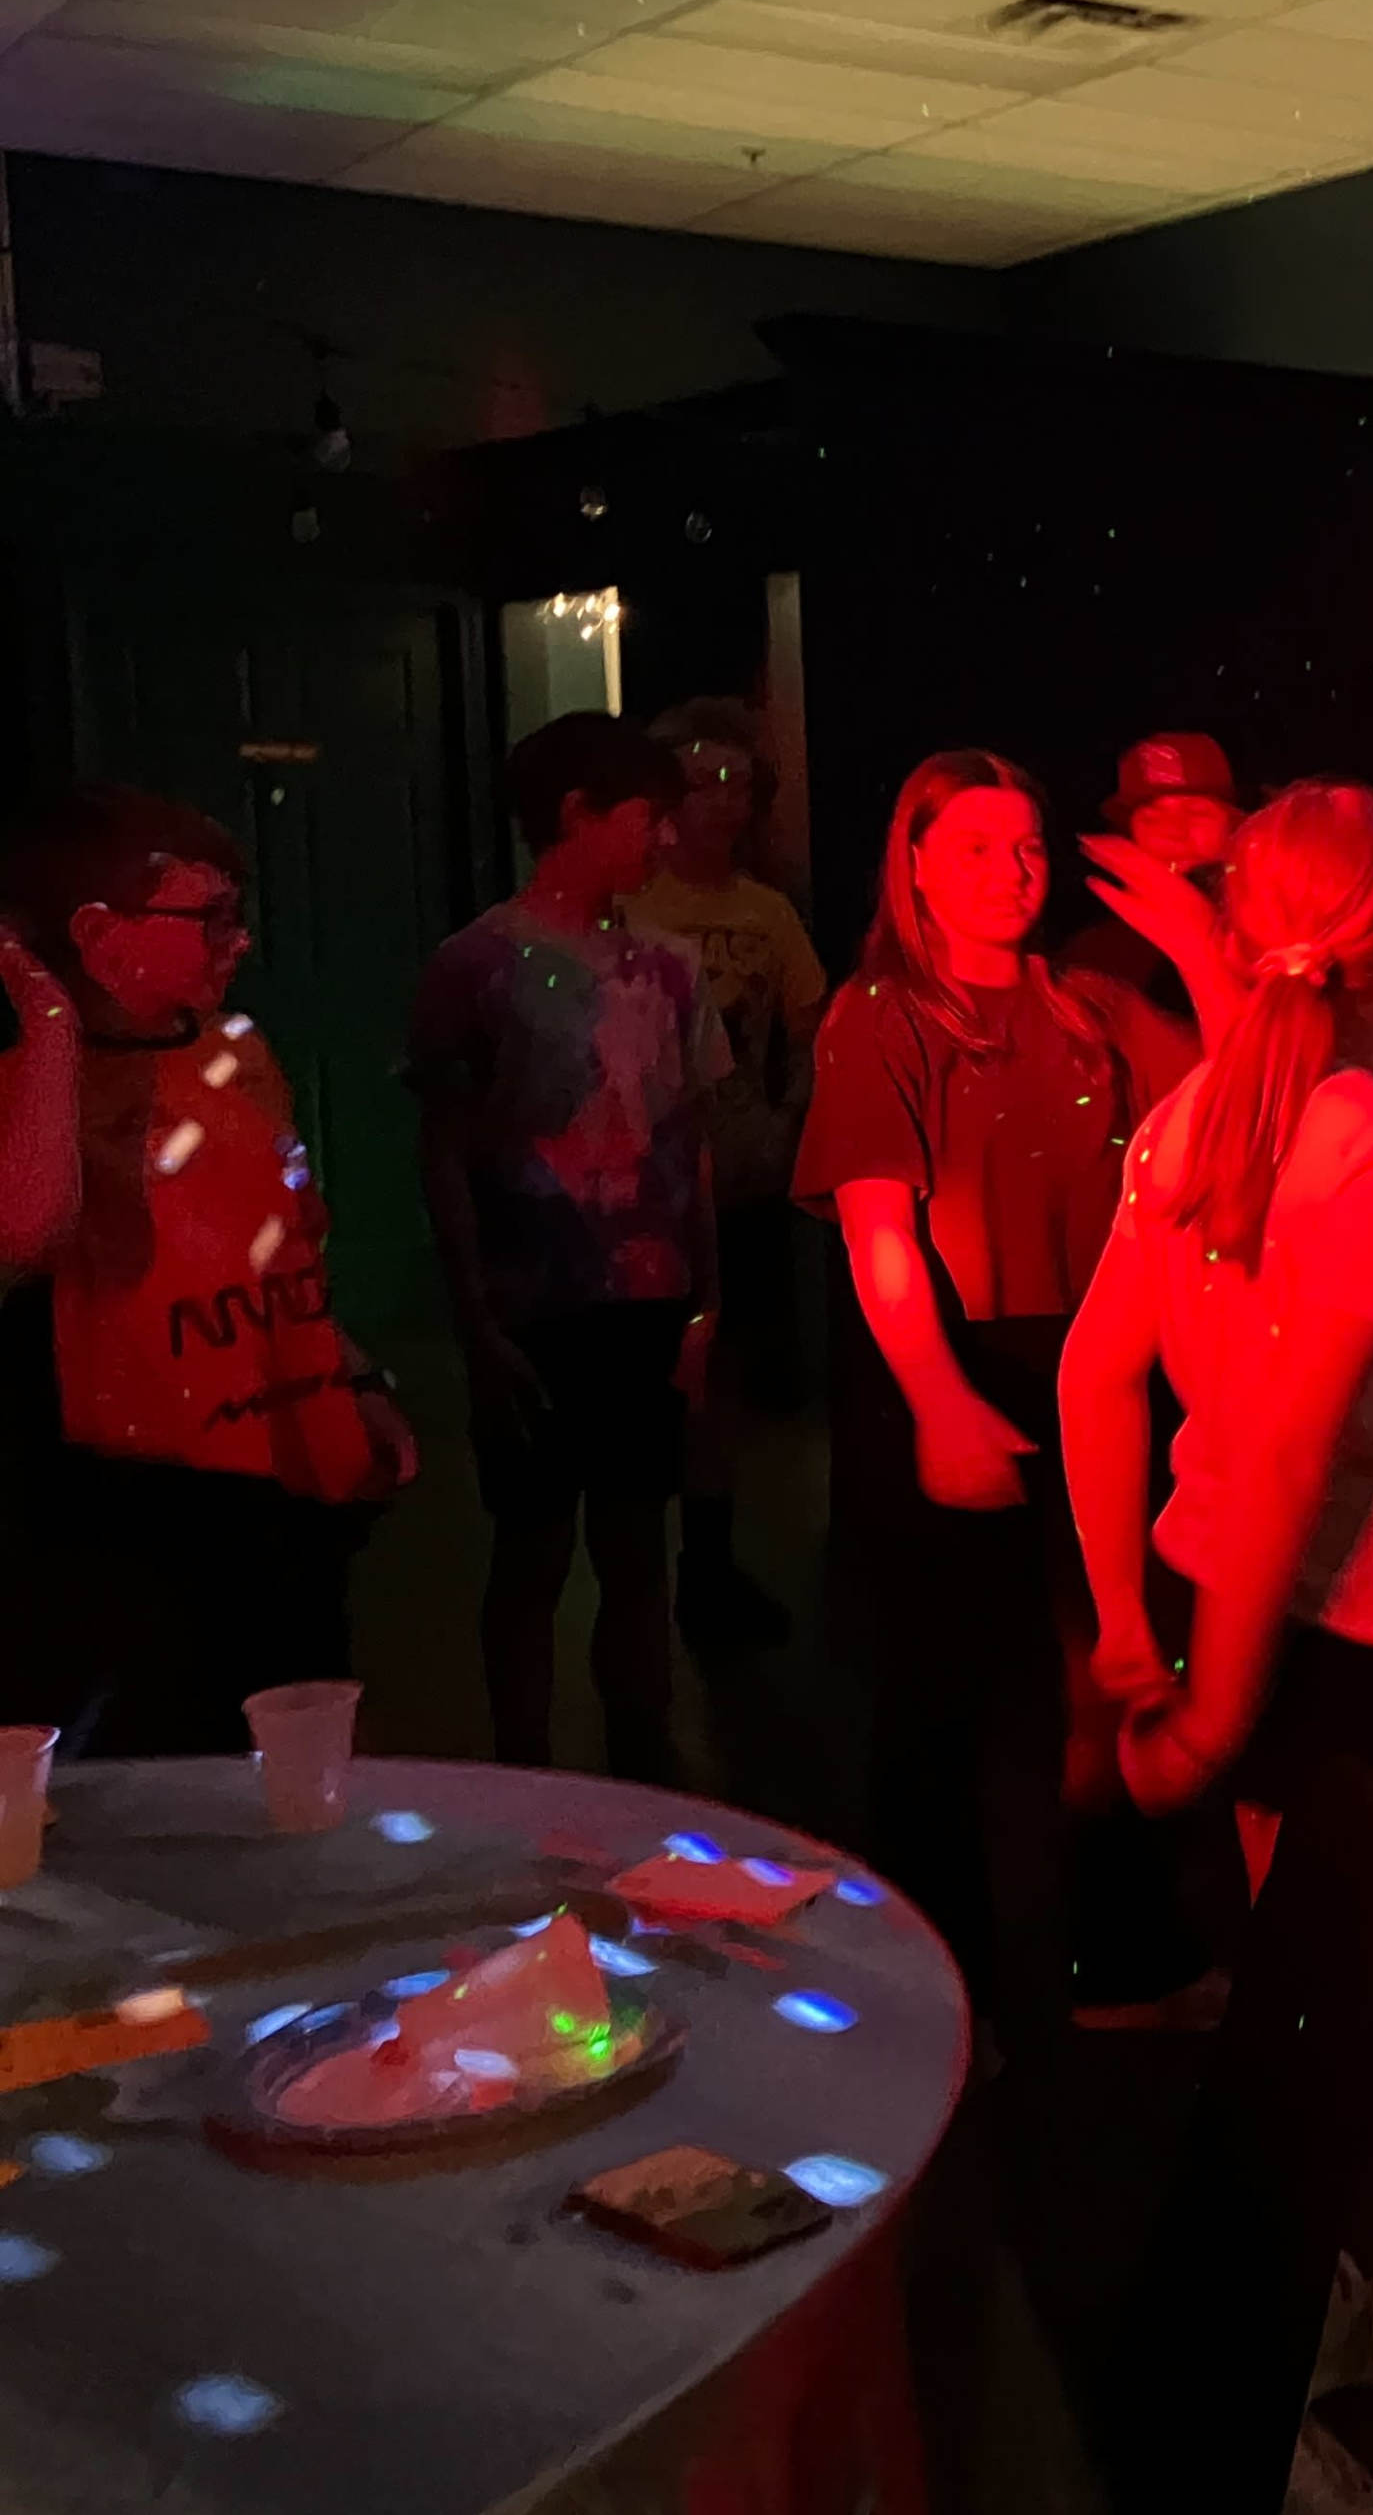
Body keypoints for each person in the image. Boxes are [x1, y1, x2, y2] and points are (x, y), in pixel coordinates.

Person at [1061, 782, 1373, 2515]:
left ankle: (1314, 2318)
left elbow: (1099, 1382)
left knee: (1287, 2024)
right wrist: (1220, 1696)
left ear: (1238, 941)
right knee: (1321, 2048)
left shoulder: (1181, 1124)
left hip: (1216, 1600)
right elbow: (1310, 1442)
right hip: (1351, 1628)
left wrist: (1130, 1633)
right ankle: (1260, 2426)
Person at [793, 750, 1195, 2037]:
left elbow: (1249, 1098)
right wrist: (938, 1401)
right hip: (955, 1362)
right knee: (951, 1693)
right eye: (972, 847)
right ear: (911, 861)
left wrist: (1196, 935)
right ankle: (939, 1990)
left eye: (1025, 847)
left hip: (1095, 1366)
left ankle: (1106, 1969)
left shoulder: (1084, 1004)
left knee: (1097, 1673)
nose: (1009, 873)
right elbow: (878, 1232)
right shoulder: (883, 1015)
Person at [0, 788, 417, 1750]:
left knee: (297, 1723)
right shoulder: (36, 1081)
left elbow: (281, 1242)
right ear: (100, 934)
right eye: (210, 917)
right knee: (174, 1751)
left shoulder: (238, 1050)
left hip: (281, 1471)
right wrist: (52, 1020)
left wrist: (349, 1374)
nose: (239, 940)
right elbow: (27, 1233)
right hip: (143, 1495)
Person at [412, 713, 724, 1782]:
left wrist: (703, 1300)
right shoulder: (475, 967)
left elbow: (687, 1139)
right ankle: (525, 1766)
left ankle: (640, 1750)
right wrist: (475, 1317)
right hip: (534, 1304)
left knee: (640, 1545)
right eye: (649, 818)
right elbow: (444, 1150)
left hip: (645, 1297)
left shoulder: (673, 968)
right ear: (577, 816)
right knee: (534, 1548)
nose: (666, 842)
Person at [628, 697, 825, 1651]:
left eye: (737, 785)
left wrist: (790, 1126)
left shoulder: (765, 912)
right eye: (703, 782)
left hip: (736, 1179)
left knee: (721, 1377)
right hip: (632, 1190)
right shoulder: (627, 906)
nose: (722, 803)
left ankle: (704, 1569)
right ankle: (634, 1577)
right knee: (643, 1378)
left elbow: (812, 1028)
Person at [1064, 730, 1243, 1038]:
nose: (1174, 832)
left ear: (1235, 827)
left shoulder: (1269, 945)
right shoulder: (1093, 956)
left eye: (1198, 813)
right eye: (1152, 818)